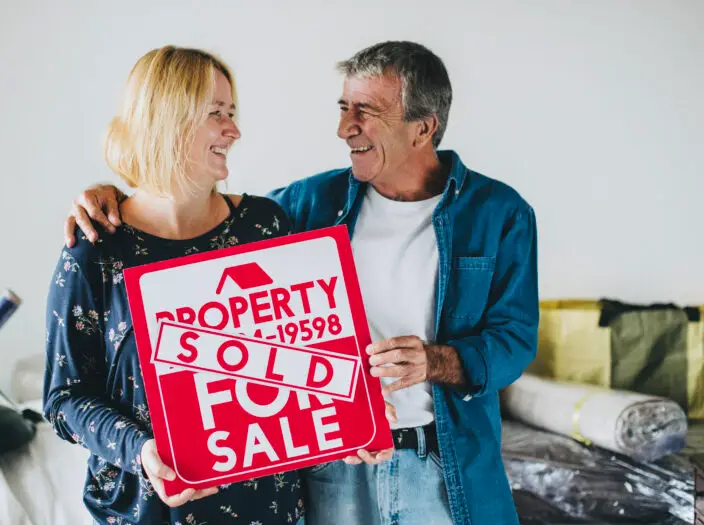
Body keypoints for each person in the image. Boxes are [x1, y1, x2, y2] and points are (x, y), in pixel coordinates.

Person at [65, 41, 539, 525]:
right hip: (332, 465)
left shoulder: (500, 214)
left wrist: (438, 361)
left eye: (366, 112)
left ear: (423, 128)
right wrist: (113, 196)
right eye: (343, 107)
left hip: (442, 460)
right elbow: (191, 224)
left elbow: (517, 339)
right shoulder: (303, 207)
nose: (343, 127)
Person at [44, 45, 309, 524]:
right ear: (168, 120)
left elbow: (301, 357)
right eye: (217, 114)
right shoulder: (94, 249)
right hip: (145, 512)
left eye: (232, 113)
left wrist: (357, 420)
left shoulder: (264, 227)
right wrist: (140, 450)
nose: (234, 130)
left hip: (264, 510)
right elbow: (64, 400)